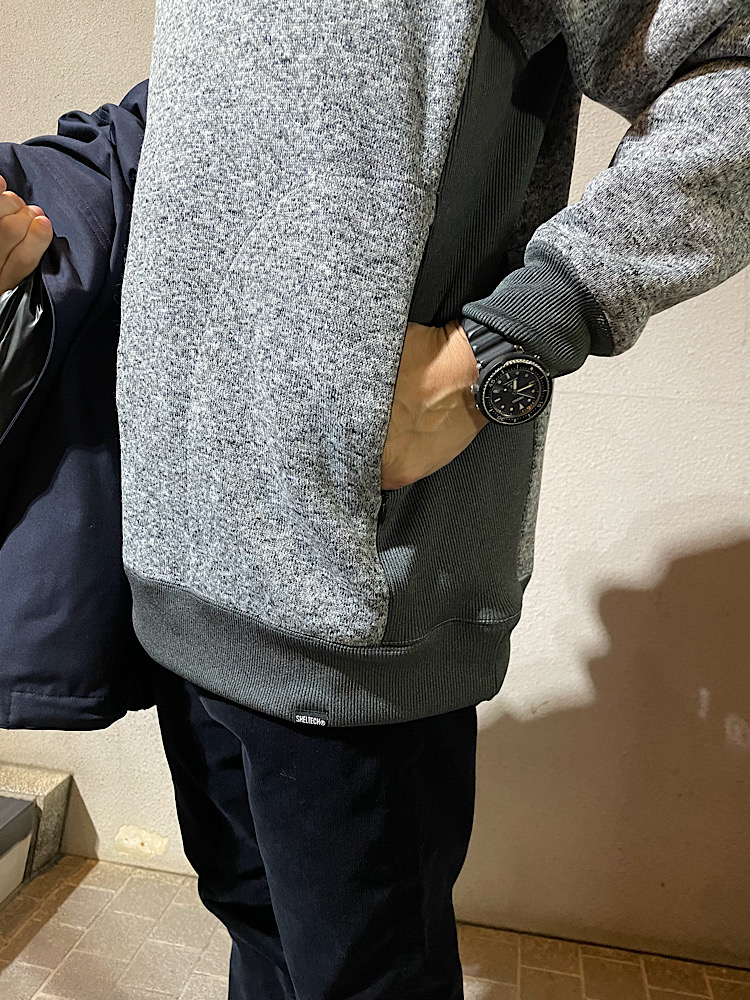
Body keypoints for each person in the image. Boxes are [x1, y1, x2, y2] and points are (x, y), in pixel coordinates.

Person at [2, 1, 749, 997]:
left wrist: (503, 349)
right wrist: (34, 184)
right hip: (178, 571)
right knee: (260, 944)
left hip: (358, 611)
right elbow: (208, 114)